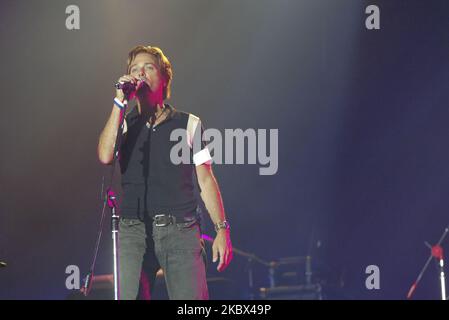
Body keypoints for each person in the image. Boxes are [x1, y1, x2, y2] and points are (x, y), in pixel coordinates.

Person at [97, 45, 233, 300]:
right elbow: (105, 156)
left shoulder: (189, 123)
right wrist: (118, 102)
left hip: (181, 230)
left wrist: (222, 229)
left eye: (148, 67)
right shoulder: (125, 124)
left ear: (164, 77)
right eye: (134, 69)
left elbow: (205, 178)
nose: (140, 73)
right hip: (133, 230)